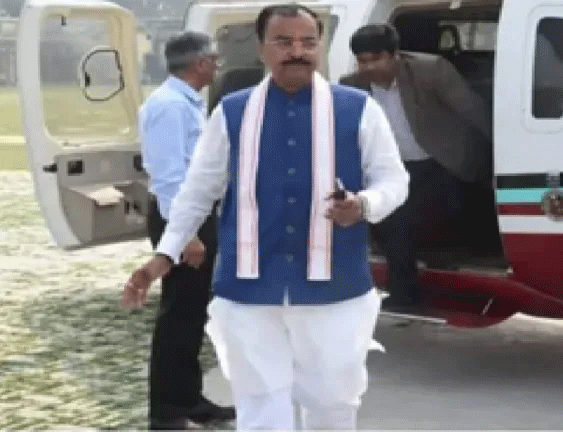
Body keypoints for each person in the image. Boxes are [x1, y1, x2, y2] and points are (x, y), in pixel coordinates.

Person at [123, 4, 409, 431]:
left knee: (333, 403)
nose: (298, 51)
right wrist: (163, 256)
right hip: (249, 290)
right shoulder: (232, 112)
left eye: (308, 42)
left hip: (336, 288)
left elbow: (394, 180)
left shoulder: (357, 108)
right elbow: (197, 191)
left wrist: (364, 204)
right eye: (284, 41)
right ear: (262, 49)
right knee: (259, 406)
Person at [340, 24, 492, 310]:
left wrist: (496, 151)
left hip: (440, 161)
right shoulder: (352, 86)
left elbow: (471, 110)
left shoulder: (430, 71)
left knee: (443, 227)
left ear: (395, 55)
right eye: (362, 61)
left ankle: (453, 289)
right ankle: (404, 295)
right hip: (393, 169)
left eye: (376, 59)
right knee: (393, 229)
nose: (369, 67)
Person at [138, 31, 235, 430]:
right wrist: (186, 235)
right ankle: (167, 411)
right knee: (178, 314)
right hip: (180, 218)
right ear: (200, 63)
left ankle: (188, 397)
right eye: (214, 59)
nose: (217, 66)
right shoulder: (169, 106)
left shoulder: (186, 102)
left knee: (193, 312)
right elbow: (170, 176)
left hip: (193, 215)